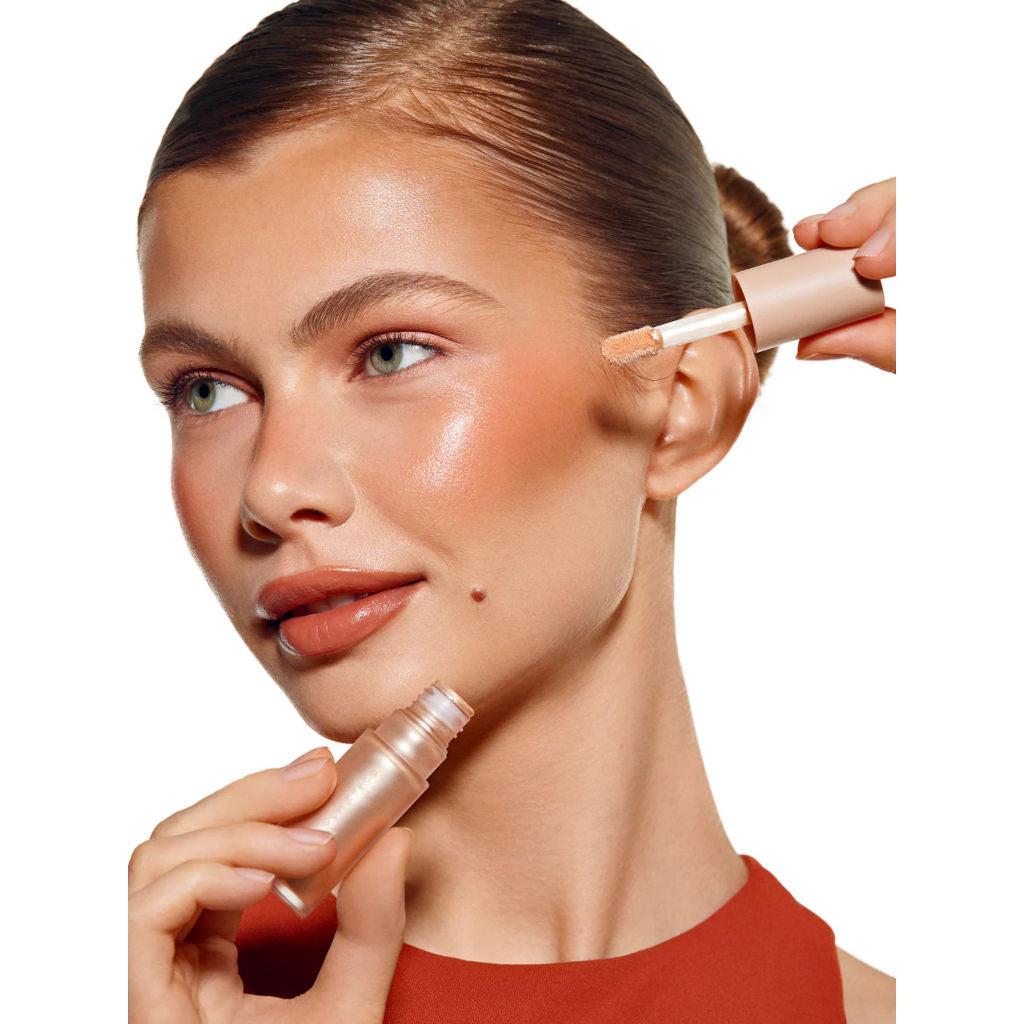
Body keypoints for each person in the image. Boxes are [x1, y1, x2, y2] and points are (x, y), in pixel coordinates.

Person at [126, 1, 896, 1021]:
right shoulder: (158, 988)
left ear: (678, 410)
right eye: (207, 389)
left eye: (391, 351)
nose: (270, 489)